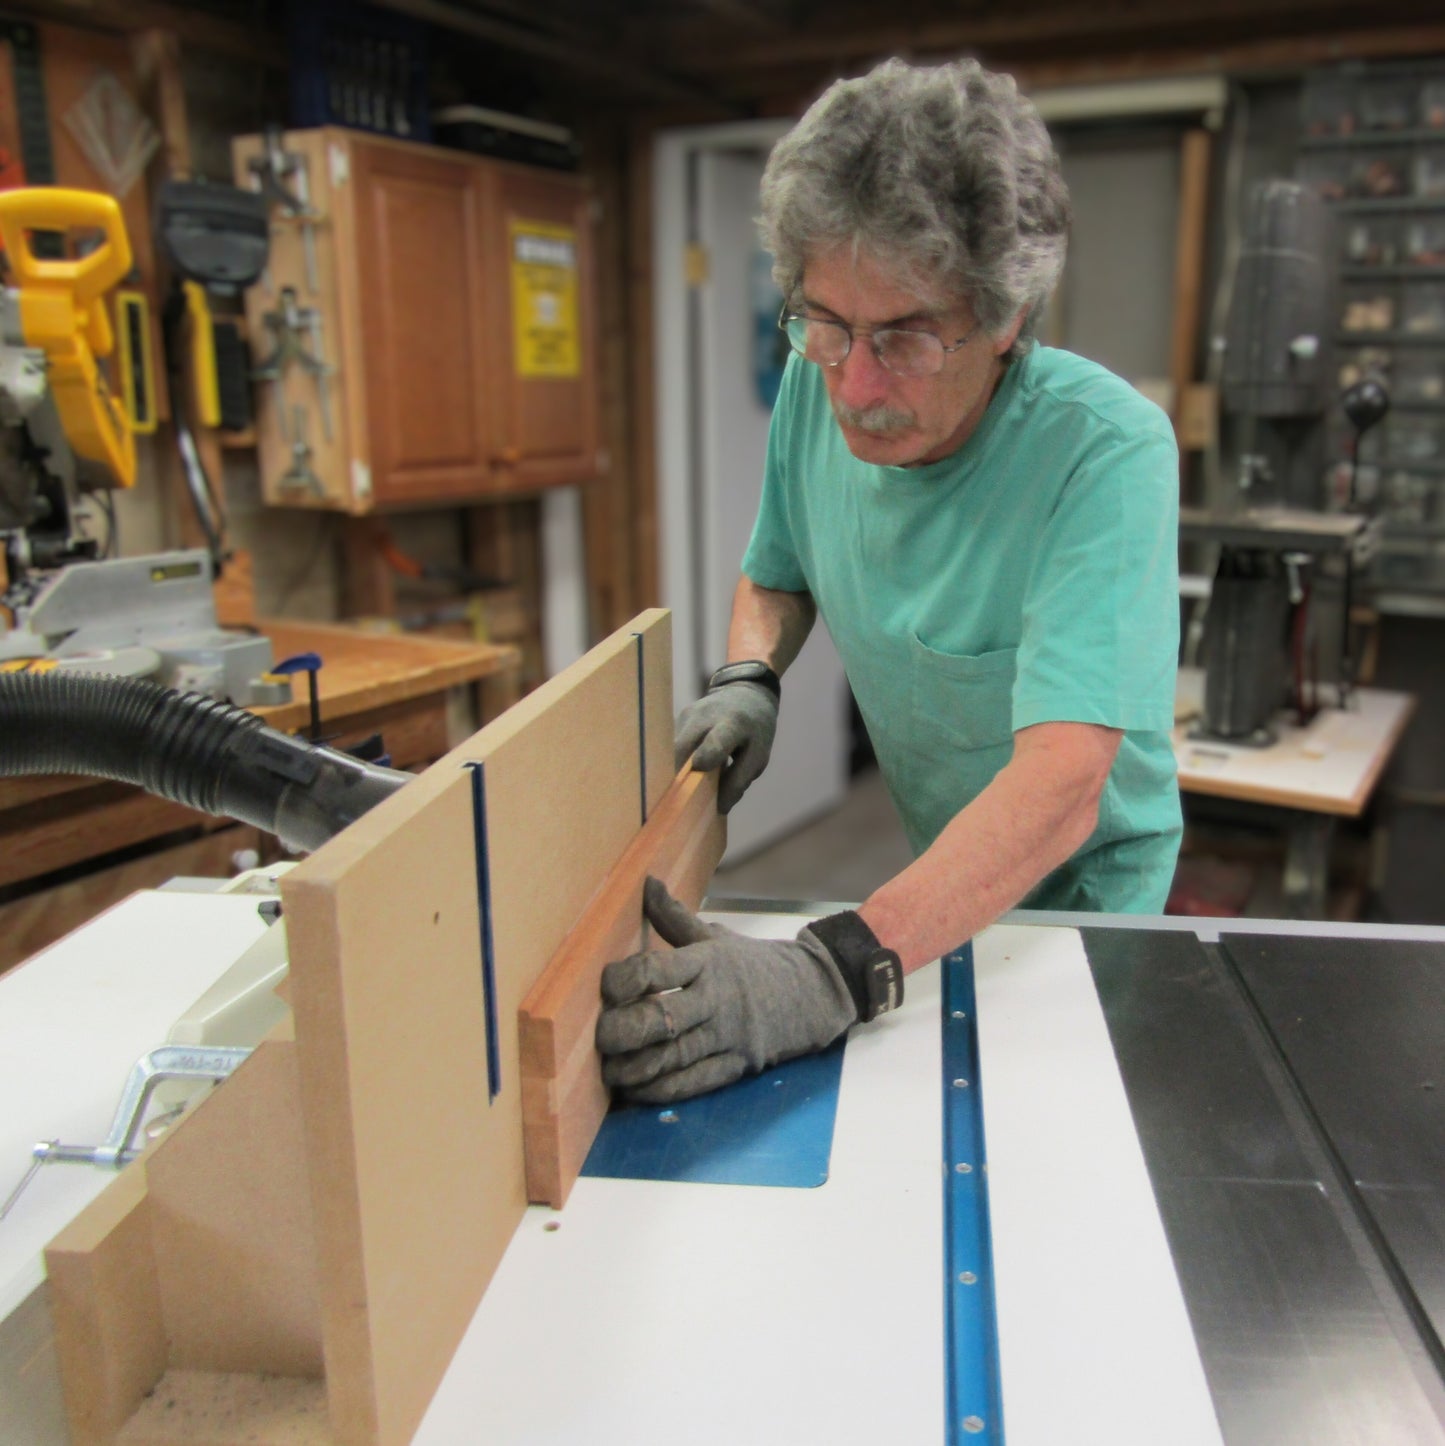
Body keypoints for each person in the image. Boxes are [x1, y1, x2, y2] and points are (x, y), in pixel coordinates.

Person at [596, 56, 1182, 1104]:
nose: (855, 385)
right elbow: (774, 572)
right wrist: (748, 676)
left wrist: (829, 971)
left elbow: (1062, 785)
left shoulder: (1104, 452)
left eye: (905, 336)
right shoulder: (815, 388)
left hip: (1078, 909)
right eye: (826, 323)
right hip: (929, 880)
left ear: (1004, 320)